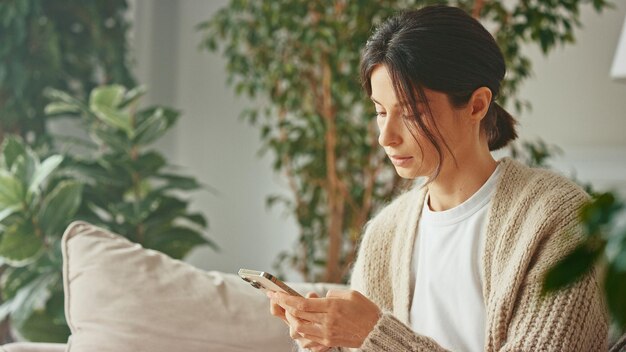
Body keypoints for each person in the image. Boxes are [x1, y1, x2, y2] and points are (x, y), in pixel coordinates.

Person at [267, 4, 608, 352]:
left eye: (411, 113)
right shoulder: (386, 234)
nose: (386, 136)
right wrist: (325, 341)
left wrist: (376, 336)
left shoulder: (558, 219)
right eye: (380, 112)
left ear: (477, 106)